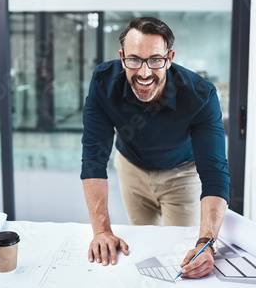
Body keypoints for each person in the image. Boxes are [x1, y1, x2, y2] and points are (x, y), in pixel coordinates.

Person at [81, 17, 230, 279]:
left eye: (155, 60)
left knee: (181, 255)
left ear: (169, 58)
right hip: (131, 169)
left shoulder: (200, 95)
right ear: (122, 56)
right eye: (134, 59)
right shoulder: (104, 82)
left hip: (182, 175)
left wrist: (206, 244)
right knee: (141, 249)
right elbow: (93, 157)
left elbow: (215, 172)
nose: (145, 72)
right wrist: (101, 230)